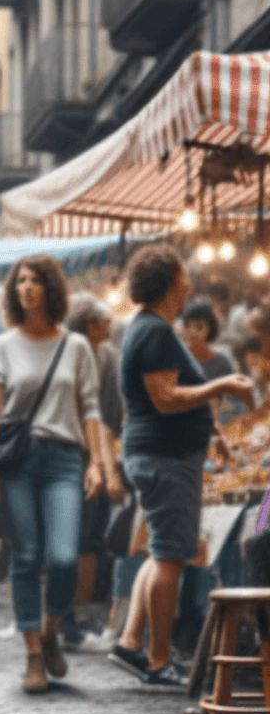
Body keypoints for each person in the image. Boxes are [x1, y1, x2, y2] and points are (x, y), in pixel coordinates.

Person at [110, 244, 254, 689]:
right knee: (172, 557)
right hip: (165, 458)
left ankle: (132, 643)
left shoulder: (153, 328)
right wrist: (224, 385)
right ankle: (157, 661)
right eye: (182, 276)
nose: (189, 282)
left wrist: (214, 435)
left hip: (161, 456)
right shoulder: (155, 331)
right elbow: (165, 398)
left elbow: (174, 393)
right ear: (169, 281)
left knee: (161, 552)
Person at [0, 254, 108, 693]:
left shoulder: (75, 347)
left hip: (65, 460)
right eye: (20, 281)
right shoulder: (4, 346)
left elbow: (90, 407)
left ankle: (51, 628)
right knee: (27, 556)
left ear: (51, 289)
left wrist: (96, 462)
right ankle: (34, 652)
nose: (26, 287)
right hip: (16, 462)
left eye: (35, 280)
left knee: (64, 558)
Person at [62, 293, 126, 650]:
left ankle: (68, 615)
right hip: (84, 456)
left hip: (75, 454)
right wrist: (105, 465)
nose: (111, 325)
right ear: (90, 324)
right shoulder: (92, 356)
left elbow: (108, 415)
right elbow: (104, 417)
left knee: (79, 540)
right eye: (105, 321)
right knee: (82, 540)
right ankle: (70, 616)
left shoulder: (103, 355)